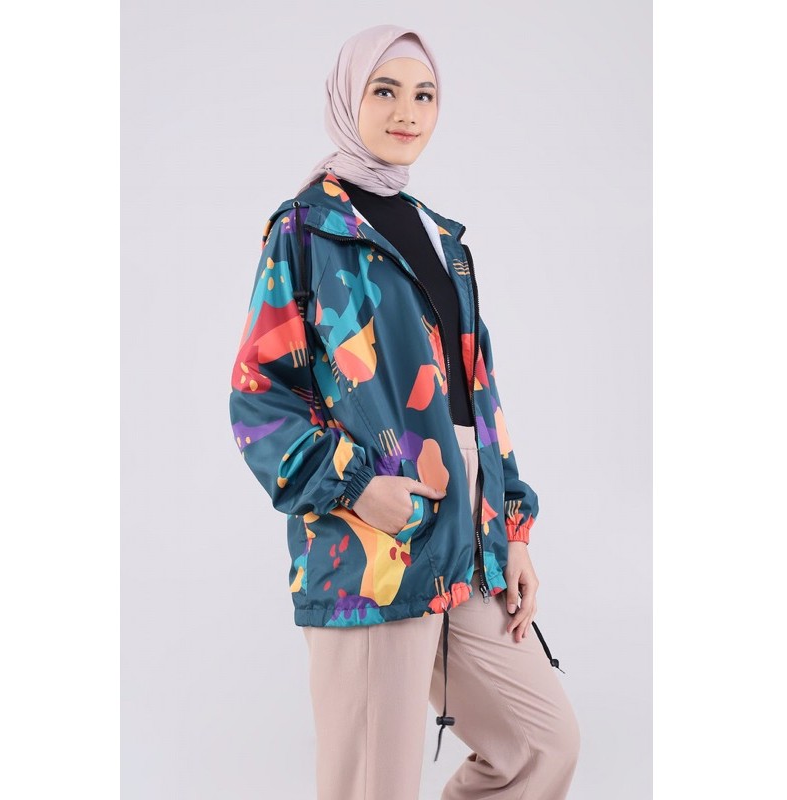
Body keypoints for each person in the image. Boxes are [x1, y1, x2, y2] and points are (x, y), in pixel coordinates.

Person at [229, 23, 580, 800]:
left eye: (424, 95)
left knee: (541, 746)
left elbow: (478, 396)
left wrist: (513, 532)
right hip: (371, 550)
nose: (406, 111)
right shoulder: (306, 230)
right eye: (384, 90)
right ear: (347, 98)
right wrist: (358, 488)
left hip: (469, 542)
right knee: (373, 786)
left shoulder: (442, 238)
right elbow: (260, 396)